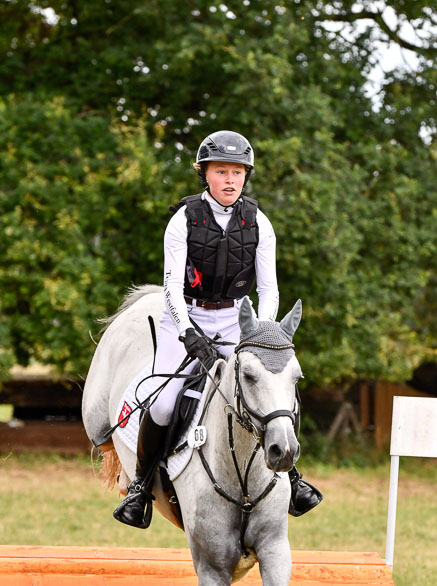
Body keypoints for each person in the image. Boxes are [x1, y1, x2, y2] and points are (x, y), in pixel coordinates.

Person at [113, 130, 322, 529]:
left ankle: (292, 477)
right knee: (163, 402)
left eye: (237, 172)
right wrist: (188, 333)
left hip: (235, 320)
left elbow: (269, 290)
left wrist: (260, 332)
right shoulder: (183, 219)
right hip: (185, 315)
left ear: (246, 176)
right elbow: (171, 287)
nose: (230, 180)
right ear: (205, 174)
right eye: (221, 171)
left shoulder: (259, 222)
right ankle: (140, 487)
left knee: (270, 387)